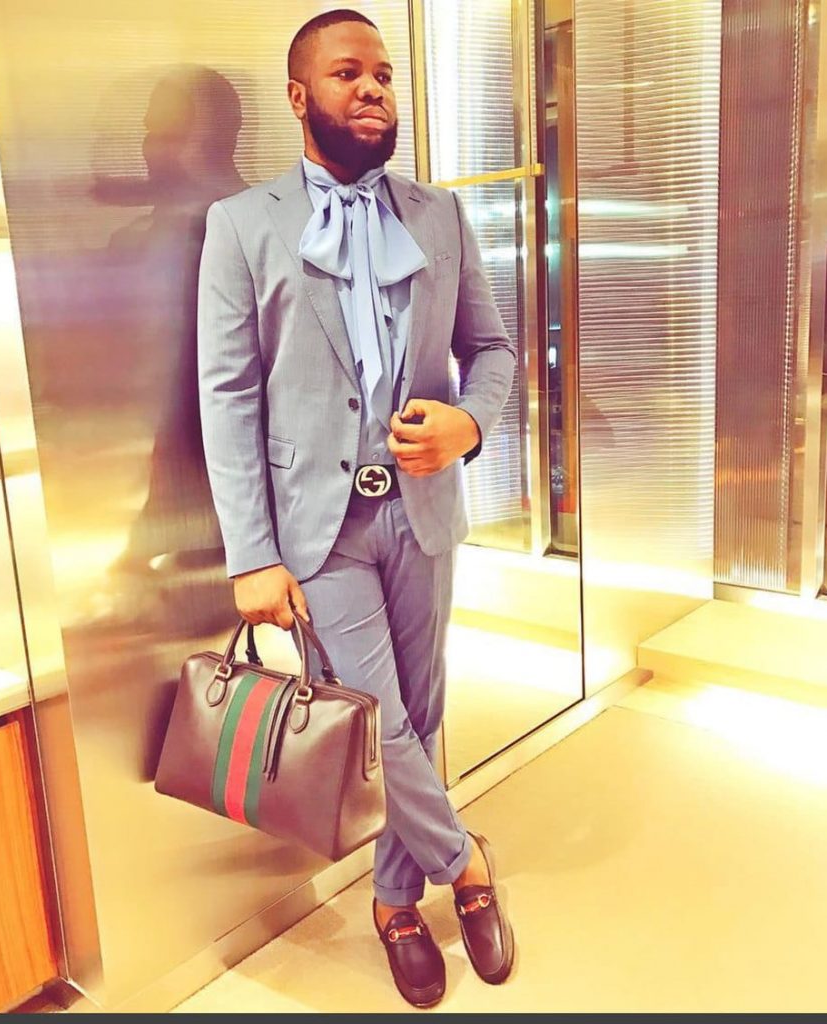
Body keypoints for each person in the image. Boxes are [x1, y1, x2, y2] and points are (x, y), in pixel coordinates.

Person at [196, 8, 517, 1008]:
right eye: (347, 73)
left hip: (423, 511)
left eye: (382, 72)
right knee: (376, 722)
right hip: (318, 528)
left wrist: (468, 425)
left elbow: (493, 351)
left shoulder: (438, 215)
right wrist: (251, 552)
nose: (372, 87)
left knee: (421, 711)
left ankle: (393, 899)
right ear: (300, 96)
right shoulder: (242, 224)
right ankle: (465, 863)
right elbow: (227, 393)